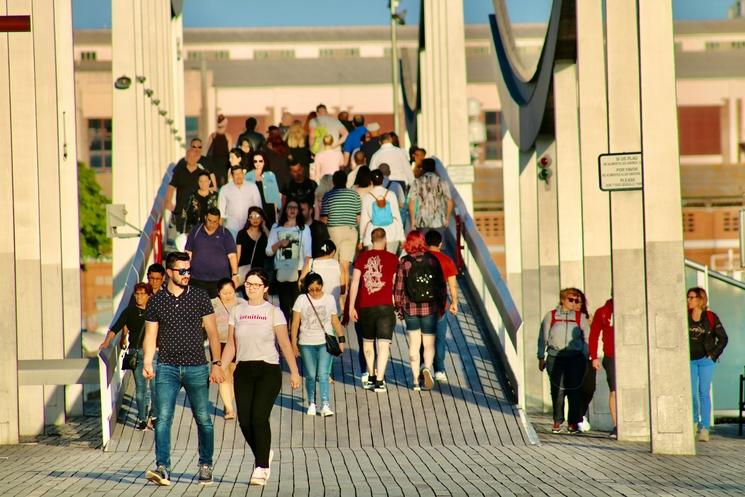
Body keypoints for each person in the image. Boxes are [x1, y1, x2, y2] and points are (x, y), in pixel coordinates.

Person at [142, 251, 225, 486]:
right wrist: (148, 362)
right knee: (164, 418)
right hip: (167, 366)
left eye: (189, 270)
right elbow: (151, 335)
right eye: (182, 271)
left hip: (197, 366)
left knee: (203, 419)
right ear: (169, 272)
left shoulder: (199, 296)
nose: (187, 274)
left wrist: (217, 363)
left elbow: (212, 332)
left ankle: (205, 465)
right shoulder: (157, 300)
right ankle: (163, 468)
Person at [220, 269, 301, 486]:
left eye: (256, 285)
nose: (251, 288)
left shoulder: (273, 312)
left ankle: (261, 467)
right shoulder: (237, 311)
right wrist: (220, 366)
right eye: (248, 284)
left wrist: (294, 371)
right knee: (245, 421)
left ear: (265, 288)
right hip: (243, 369)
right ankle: (264, 453)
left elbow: (284, 344)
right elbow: (231, 345)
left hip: (268, 369)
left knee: (258, 418)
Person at [394, 230, 447, 391]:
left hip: (410, 308)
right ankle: (427, 368)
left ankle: (416, 380)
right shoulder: (432, 260)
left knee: (414, 343)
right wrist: (441, 306)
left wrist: (399, 308)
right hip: (429, 308)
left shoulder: (404, 262)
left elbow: (398, 288)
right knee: (429, 343)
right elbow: (441, 286)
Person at [99, 283, 157, 430]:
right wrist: (106, 342)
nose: (139, 297)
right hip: (136, 353)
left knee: (156, 388)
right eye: (137, 294)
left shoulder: (155, 311)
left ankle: (154, 415)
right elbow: (116, 327)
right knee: (141, 389)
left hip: (155, 353)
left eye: (143, 294)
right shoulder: (129, 311)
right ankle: (143, 419)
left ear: (149, 295)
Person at [349, 228, 399, 392]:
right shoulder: (393, 259)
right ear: (385, 239)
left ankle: (370, 375)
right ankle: (379, 380)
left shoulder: (362, 258)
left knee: (368, 342)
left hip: (365, 306)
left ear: (371, 240)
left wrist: (351, 306)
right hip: (385, 306)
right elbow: (395, 284)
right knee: (384, 345)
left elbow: (355, 282)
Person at [290, 272, 346, 417]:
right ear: (306, 288)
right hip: (306, 342)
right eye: (311, 289)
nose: (314, 292)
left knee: (323, 373)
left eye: (317, 289)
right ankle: (312, 403)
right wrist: (293, 344)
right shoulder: (301, 299)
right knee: (310, 374)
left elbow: (334, 321)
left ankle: (325, 404)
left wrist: (341, 340)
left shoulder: (329, 299)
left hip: (324, 342)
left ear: (322, 286)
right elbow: (295, 323)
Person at [537, 288, 590, 434]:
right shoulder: (551, 316)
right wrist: (541, 356)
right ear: (563, 300)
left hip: (575, 358)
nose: (574, 303)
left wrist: (586, 358)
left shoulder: (581, 318)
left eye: (576, 300)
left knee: (574, 390)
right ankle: (557, 420)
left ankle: (573, 422)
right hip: (556, 357)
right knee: (558, 390)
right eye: (570, 300)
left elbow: (587, 340)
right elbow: (543, 337)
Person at [687, 286, 728, 442]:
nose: (688, 300)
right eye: (688, 297)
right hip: (689, 360)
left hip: (706, 360)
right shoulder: (685, 315)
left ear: (700, 299)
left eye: (692, 298)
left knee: (703, 393)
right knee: (691, 393)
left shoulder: (710, 317)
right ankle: (693, 422)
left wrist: (713, 354)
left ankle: (704, 428)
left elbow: (723, 338)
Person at [266, 200, 312, 322]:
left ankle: (295, 336)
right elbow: (268, 251)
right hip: (281, 270)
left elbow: (308, 254)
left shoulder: (304, 228)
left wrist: (303, 277)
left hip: (298, 271)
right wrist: (280, 243)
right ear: (285, 210)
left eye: (295, 207)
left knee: (298, 308)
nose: (292, 210)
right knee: (284, 307)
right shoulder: (276, 227)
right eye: (289, 207)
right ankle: (285, 335)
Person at [424, 230, 458, 382]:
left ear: (425, 243)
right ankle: (439, 370)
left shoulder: (420, 259)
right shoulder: (446, 260)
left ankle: (424, 366)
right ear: (440, 244)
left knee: (423, 337)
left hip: (422, 305)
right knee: (440, 338)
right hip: (440, 306)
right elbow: (453, 286)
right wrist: (455, 302)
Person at [211, 278, 246, 420]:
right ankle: (230, 409)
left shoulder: (242, 304)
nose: (228, 295)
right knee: (223, 375)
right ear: (219, 292)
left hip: (238, 343)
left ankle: (228, 402)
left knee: (234, 376)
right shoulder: (212, 304)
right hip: (219, 343)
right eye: (224, 293)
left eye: (231, 292)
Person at [185, 207, 239, 298]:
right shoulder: (196, 231)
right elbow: (188, 253)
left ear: (219, 220)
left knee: (217, 309)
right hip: (197, 279)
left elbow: (232, 256)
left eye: (215, 221)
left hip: (219, 280)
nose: (212, 224)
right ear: (205, 217)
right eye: (210, 220)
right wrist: (185, 272)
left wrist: (235, 275)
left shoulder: (225, 233)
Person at [321, 171, 361, 288]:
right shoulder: (354, 195)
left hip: (334, 231)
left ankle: (338, 293)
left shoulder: (328, 196)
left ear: (333, 182)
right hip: (351, 230)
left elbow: (324, 218)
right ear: (346, 181)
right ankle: (345, 292)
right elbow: (358, 217)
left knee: (336, 264)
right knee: (345, 264)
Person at [167, 147, 214, 233]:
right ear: (186, 157)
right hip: (181, 211)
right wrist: (168, 201)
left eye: (194, 156)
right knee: (181, 237)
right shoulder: (179, 172)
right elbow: (171, 187)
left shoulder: (201, 173)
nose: (191, 158)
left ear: (197, 158)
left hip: (197, 213)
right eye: (189, 156)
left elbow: (209, 188)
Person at [589, 298, 617, 439]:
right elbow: (594, 335)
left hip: (630, 356)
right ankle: (617, 425)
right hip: (611, 356)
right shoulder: (603, 311)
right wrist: (594, 357)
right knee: (614, 391)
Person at [360, 169, 404, 253]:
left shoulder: (367, 197)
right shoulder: (391, 194)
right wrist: (402, 237)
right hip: (392, 234)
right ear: (383, 180)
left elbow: (364, 220)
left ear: (371, 181)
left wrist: (361, 239)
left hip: (372, 235)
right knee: (390, 262)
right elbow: (397, 216)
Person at [408, 158, 453, 237]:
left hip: (422, 220)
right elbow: (449, 201)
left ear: (423, 168)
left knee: (424, 247)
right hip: (439, 220)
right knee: (439, 246)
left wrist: (413, 220)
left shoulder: (417, 182)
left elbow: (412, 201)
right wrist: (447, 218)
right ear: (434, 168)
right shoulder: (442, 182)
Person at [218, 165, 262, 239]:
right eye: (236, 174)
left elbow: (258, 208)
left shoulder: (252, 187)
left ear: (243, 174)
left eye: (240, 173)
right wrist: (219, 232)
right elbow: (221, 212)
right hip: (231, 228)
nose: (239, 176)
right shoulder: (225, 189)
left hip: (249, 228)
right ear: (232, 175)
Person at [235, 206, 270, 286]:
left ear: (262, 218)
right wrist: (235, 273)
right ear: (248, 218)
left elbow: (271, 243)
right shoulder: (242, 234)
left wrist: (264, 227)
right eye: (252, 217)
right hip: (244, 271)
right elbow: (238, 255)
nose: (255, 219)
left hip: (260, 272)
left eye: (258, 217)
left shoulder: (264, 235)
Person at [246, 152, 281, 227]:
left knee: (269, 229)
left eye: (260, 161)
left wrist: (279, 209)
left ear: (264, 162)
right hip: (254, 208)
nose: (258, 163)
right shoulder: (248, 175)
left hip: (268, 207)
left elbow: (275, 193)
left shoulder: (270, 175)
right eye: (255, 161)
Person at [206, 114, 233, 187]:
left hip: (214, 164)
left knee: (214, 185)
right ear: (225, 125)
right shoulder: (228, 137)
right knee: (223, 186)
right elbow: (230, 153)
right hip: (224, 165)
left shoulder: (212, 136)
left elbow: (207, 151)